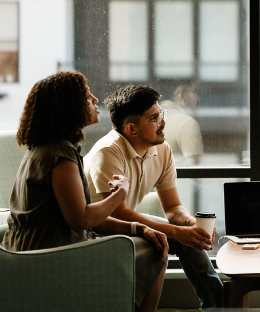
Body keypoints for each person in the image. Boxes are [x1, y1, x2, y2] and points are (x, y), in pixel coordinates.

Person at [2, 71, 168, 312]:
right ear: (69, 106)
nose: (94, 99)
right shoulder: (60, 154)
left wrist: (139, 228)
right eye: (85, 95)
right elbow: (81, 219)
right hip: (46, 258)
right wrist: (119, 195)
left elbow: (90, 221)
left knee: (146, 239)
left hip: (34, 250)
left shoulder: (47, 149)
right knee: (154, 251)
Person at [83, 83, 223, 310]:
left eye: (161, 114)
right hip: (96, 231)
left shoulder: (163, 150)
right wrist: (178, 232)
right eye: (154, 118)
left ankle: (218, 305)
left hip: (126, 224)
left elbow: (173, 207)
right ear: (131, 129)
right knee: (167, 240)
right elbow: (119, 214)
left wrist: (190, 224)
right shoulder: (108, 152)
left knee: (190, 240)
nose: (163, 123)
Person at [159, 82, 204, 166]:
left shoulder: (152, 120)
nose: (198, 98)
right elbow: (196, 173)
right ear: (181, 95)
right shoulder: (187, 123)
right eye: (194, 92)